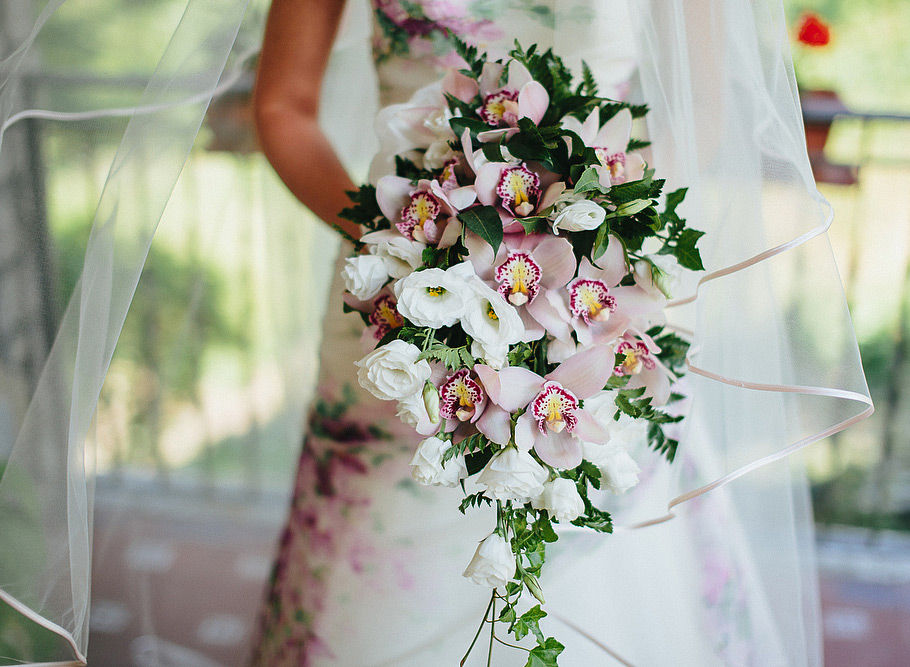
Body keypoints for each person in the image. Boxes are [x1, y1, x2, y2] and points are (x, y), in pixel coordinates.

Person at [245, 1, 872, 666]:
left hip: (592, 292)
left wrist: (585, 230)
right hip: (400, 292)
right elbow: (281, 107)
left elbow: (701, 115)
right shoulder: (401, 257)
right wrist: (411, 245)